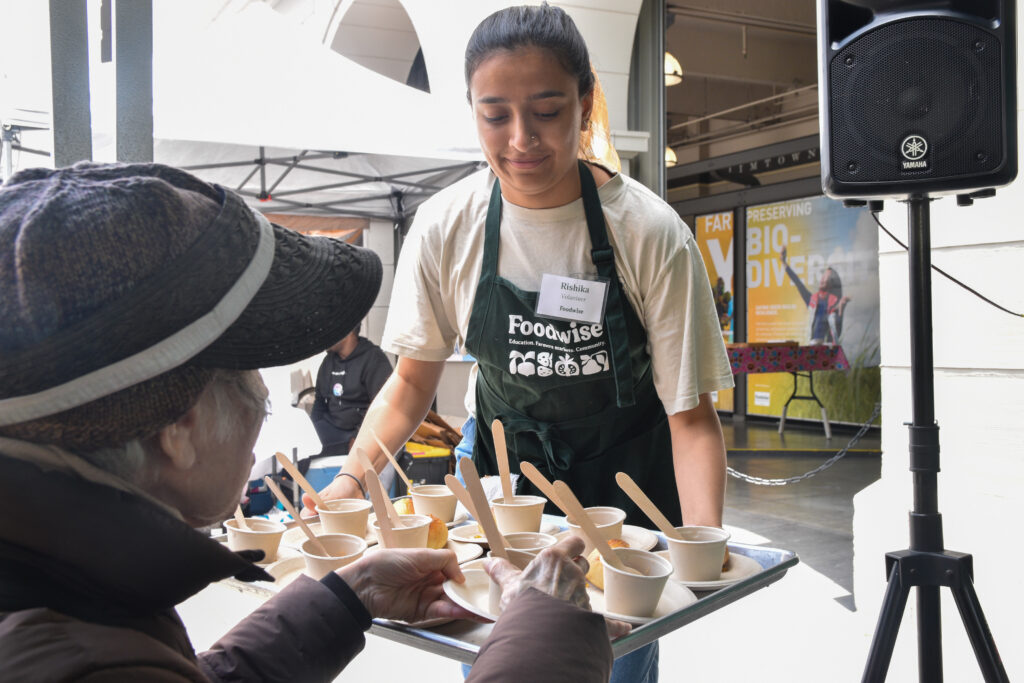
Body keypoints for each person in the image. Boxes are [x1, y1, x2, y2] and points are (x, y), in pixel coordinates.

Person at [0, 162, 618, 682]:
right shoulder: (71, 654)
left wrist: (343, 600)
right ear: (178, 429)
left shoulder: (64, 599)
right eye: (252, 370)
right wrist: (548, 630)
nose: (263, 397)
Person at [315, 5, 734, 681]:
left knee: (614, 664)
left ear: (585, 100)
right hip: (505, 495)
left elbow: (689, 415)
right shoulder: (446, 226)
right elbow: (412, 383)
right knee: (504, 660)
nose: (521, 138)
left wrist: (701, 548)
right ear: (472, 111)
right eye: (495, 114)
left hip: (624, 499)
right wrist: (352, 479)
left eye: (546, 109)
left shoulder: (648, 233)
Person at [310, 328, 392, 456]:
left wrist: (359, 437)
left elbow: (381, 407)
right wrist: (311, 431)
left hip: (361, 432)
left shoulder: (373, 358)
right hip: (332, 430)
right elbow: (319, 403)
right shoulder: (328, 362)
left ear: (348, 331)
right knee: (300, 447)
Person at [779, 246, 851, 345]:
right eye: (823, 275)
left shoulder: (835, 303)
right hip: (812, 346)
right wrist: (783, 262)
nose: (823, 278)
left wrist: (841, 308)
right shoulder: (811, 299)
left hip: (827, 347)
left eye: (827, 277)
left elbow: (837, 331)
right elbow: (797, 282)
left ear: (831, 283)